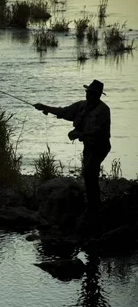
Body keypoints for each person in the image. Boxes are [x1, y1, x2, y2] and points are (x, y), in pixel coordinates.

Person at [33, 80, 111, 214]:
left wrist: (78, 134)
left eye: (92, 93)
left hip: (100, 146)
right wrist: (45, 107)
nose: (88, 95)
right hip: (89, 146)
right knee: (89, 175)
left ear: (98, 95)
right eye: (88, 92)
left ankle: (94, 205)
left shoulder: (104, 110)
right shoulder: (81, 106)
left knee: (88, 171)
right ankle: (94, 203)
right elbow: (65, 111)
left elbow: (98, 131)